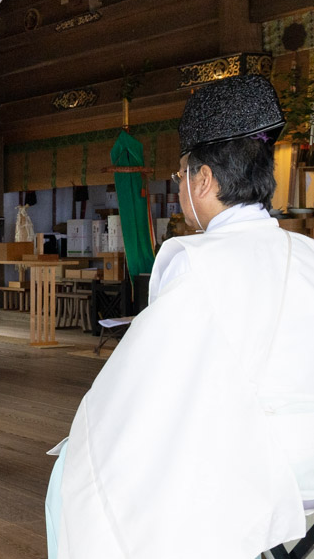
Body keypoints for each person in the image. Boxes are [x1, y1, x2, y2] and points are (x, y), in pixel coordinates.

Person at [45, 73, 314, 558]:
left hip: (253, 468)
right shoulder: (308, 253)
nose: (183, 185)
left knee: (79, 470)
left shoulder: (194, 259)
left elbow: (144, 385)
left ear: (204, 179)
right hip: (310, 459)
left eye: (182, 174)